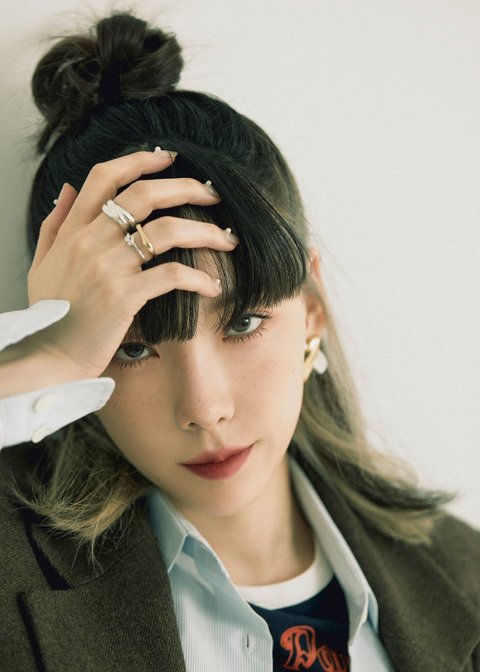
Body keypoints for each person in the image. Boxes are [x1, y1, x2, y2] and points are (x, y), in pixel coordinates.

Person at [0, 12, 478, 672]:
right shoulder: (13, 572)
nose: (205, 408)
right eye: (133, 348)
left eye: (244, 324)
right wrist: (47, 358)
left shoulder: (465, 577)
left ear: (312, 310)